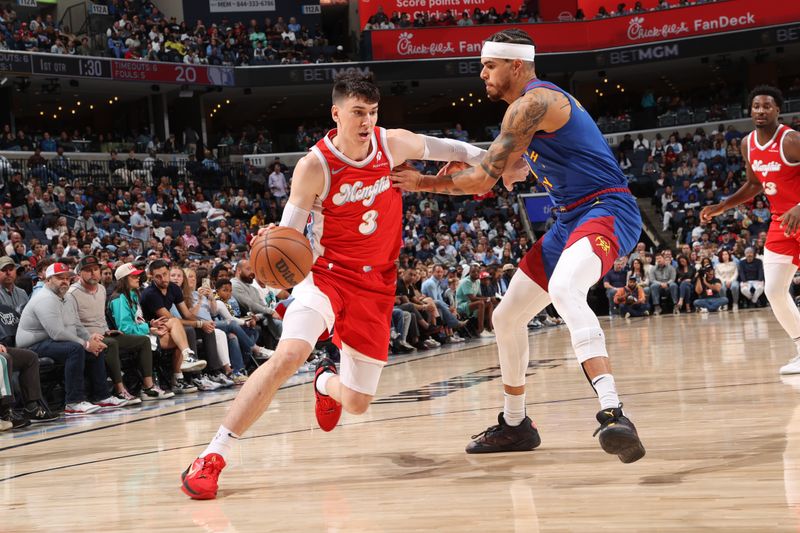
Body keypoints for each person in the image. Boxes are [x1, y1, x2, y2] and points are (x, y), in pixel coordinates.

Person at [180, 72, 523, 499]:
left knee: (358, 403)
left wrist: (493, 160)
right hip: (325, 276)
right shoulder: (313, 166)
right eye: (358, 112)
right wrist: (277, 263)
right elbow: (291, 235)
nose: (366, 121)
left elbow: (447, 148)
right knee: (287, 355)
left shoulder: (390, 143)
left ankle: (324, 380)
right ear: (336, 113)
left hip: (377, 285)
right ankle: (212, 456)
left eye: (372, 112)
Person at [391, 28, 645, 463]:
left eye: (489, 66)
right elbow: (504, 166)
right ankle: (515, 424)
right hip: (569, 219)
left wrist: (422, 181)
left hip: (607, 208)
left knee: (566, 289)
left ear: (515, 64)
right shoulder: (524, 114)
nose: (483, 75)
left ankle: (613, 411)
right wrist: (494, 165)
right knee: (507, 317)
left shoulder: (535, 103)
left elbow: (480, 179)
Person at [701, 85, 800, 375]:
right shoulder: (748, 144)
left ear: (778, 110)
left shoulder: (791, 140)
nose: (760, 111)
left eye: (767, 106)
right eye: (756, 106)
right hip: (782, 223)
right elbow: (755, 184)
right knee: (774, 290)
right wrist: (723, 207)